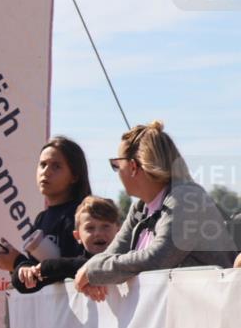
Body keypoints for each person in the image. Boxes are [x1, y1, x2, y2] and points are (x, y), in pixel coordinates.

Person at [75, 121, 238, 300]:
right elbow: (109, 255)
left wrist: (94, 270)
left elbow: (158, 259)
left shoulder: (186, 197)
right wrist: (94, 270)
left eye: (116, 164)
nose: (117, 171)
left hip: (206, 310)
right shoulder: (139, 208)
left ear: (133, 167)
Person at [0, 136, 92, 275]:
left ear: (74, 176)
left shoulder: (82, 216)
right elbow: (37, 274)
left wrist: (17, 263)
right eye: (43, 164)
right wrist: (12, 263)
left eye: (56, 166)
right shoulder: (41, 219)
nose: (46, 172)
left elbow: (80, 270)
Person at [14, 196, 120, 293]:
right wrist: (25, 270)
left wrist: (47, 267)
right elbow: (23, 285)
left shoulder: (124, 259)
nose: (98, 233)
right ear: (77, 236)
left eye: (105, 226)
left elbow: (109, 265)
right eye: (90, 228)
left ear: (119, 231)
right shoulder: (70, 269)